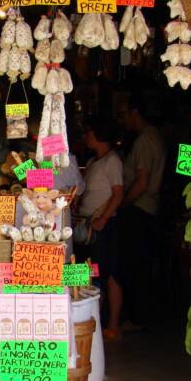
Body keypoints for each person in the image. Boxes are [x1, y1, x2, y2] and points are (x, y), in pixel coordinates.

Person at [118, 97, 166, 330]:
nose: (123, 119)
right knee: (140, 264)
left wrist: (122, 205)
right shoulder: (151, 137)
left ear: (136, 112)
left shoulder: (145, 141)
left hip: (139, 209)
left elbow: (142, 181)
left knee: (136, 265)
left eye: (125, 113)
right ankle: (139, 316)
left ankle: (137, 318)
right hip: (145, 209)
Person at [76, 120, 124, 340]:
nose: (86, 137)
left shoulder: (112, 160)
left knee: (109, 274)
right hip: (89, 226)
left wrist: (104, 218)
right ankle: (93, 322)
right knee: (92, 272)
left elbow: (118, 193)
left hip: (104, 226)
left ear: (97, 134)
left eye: (89, 133)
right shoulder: (94, 161)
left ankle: (112, 326)